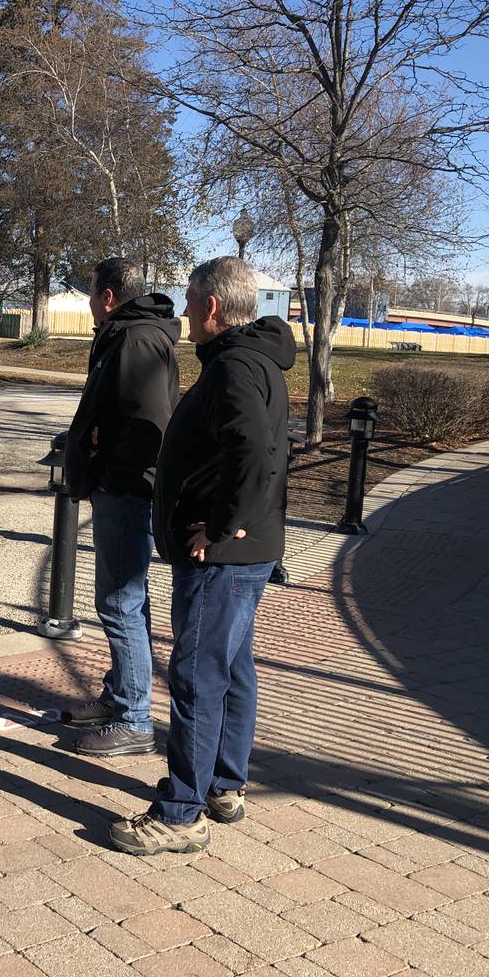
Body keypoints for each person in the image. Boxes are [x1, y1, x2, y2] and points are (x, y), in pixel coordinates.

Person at [109, 255, 295, 854]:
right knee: (232, 667)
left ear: (212, 307)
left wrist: (219, 528)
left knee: (195, 675)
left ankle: (182, 812)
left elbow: (253, 453)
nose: (184, 315)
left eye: (189, 303)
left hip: (222, 557)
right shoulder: (254, 359)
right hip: (245, 550)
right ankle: (224, 785)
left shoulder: (234, 368)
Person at [59, 257, 181, 757]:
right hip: (122, 487)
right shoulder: (129, 335)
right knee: (126, 600)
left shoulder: (135, 339)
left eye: (92, 292)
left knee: (119, 603)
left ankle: (133, 719)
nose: (89, 301)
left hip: (128, 491)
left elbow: (149, 425)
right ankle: (120, 696)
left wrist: (108, 471)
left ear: (109, 296)